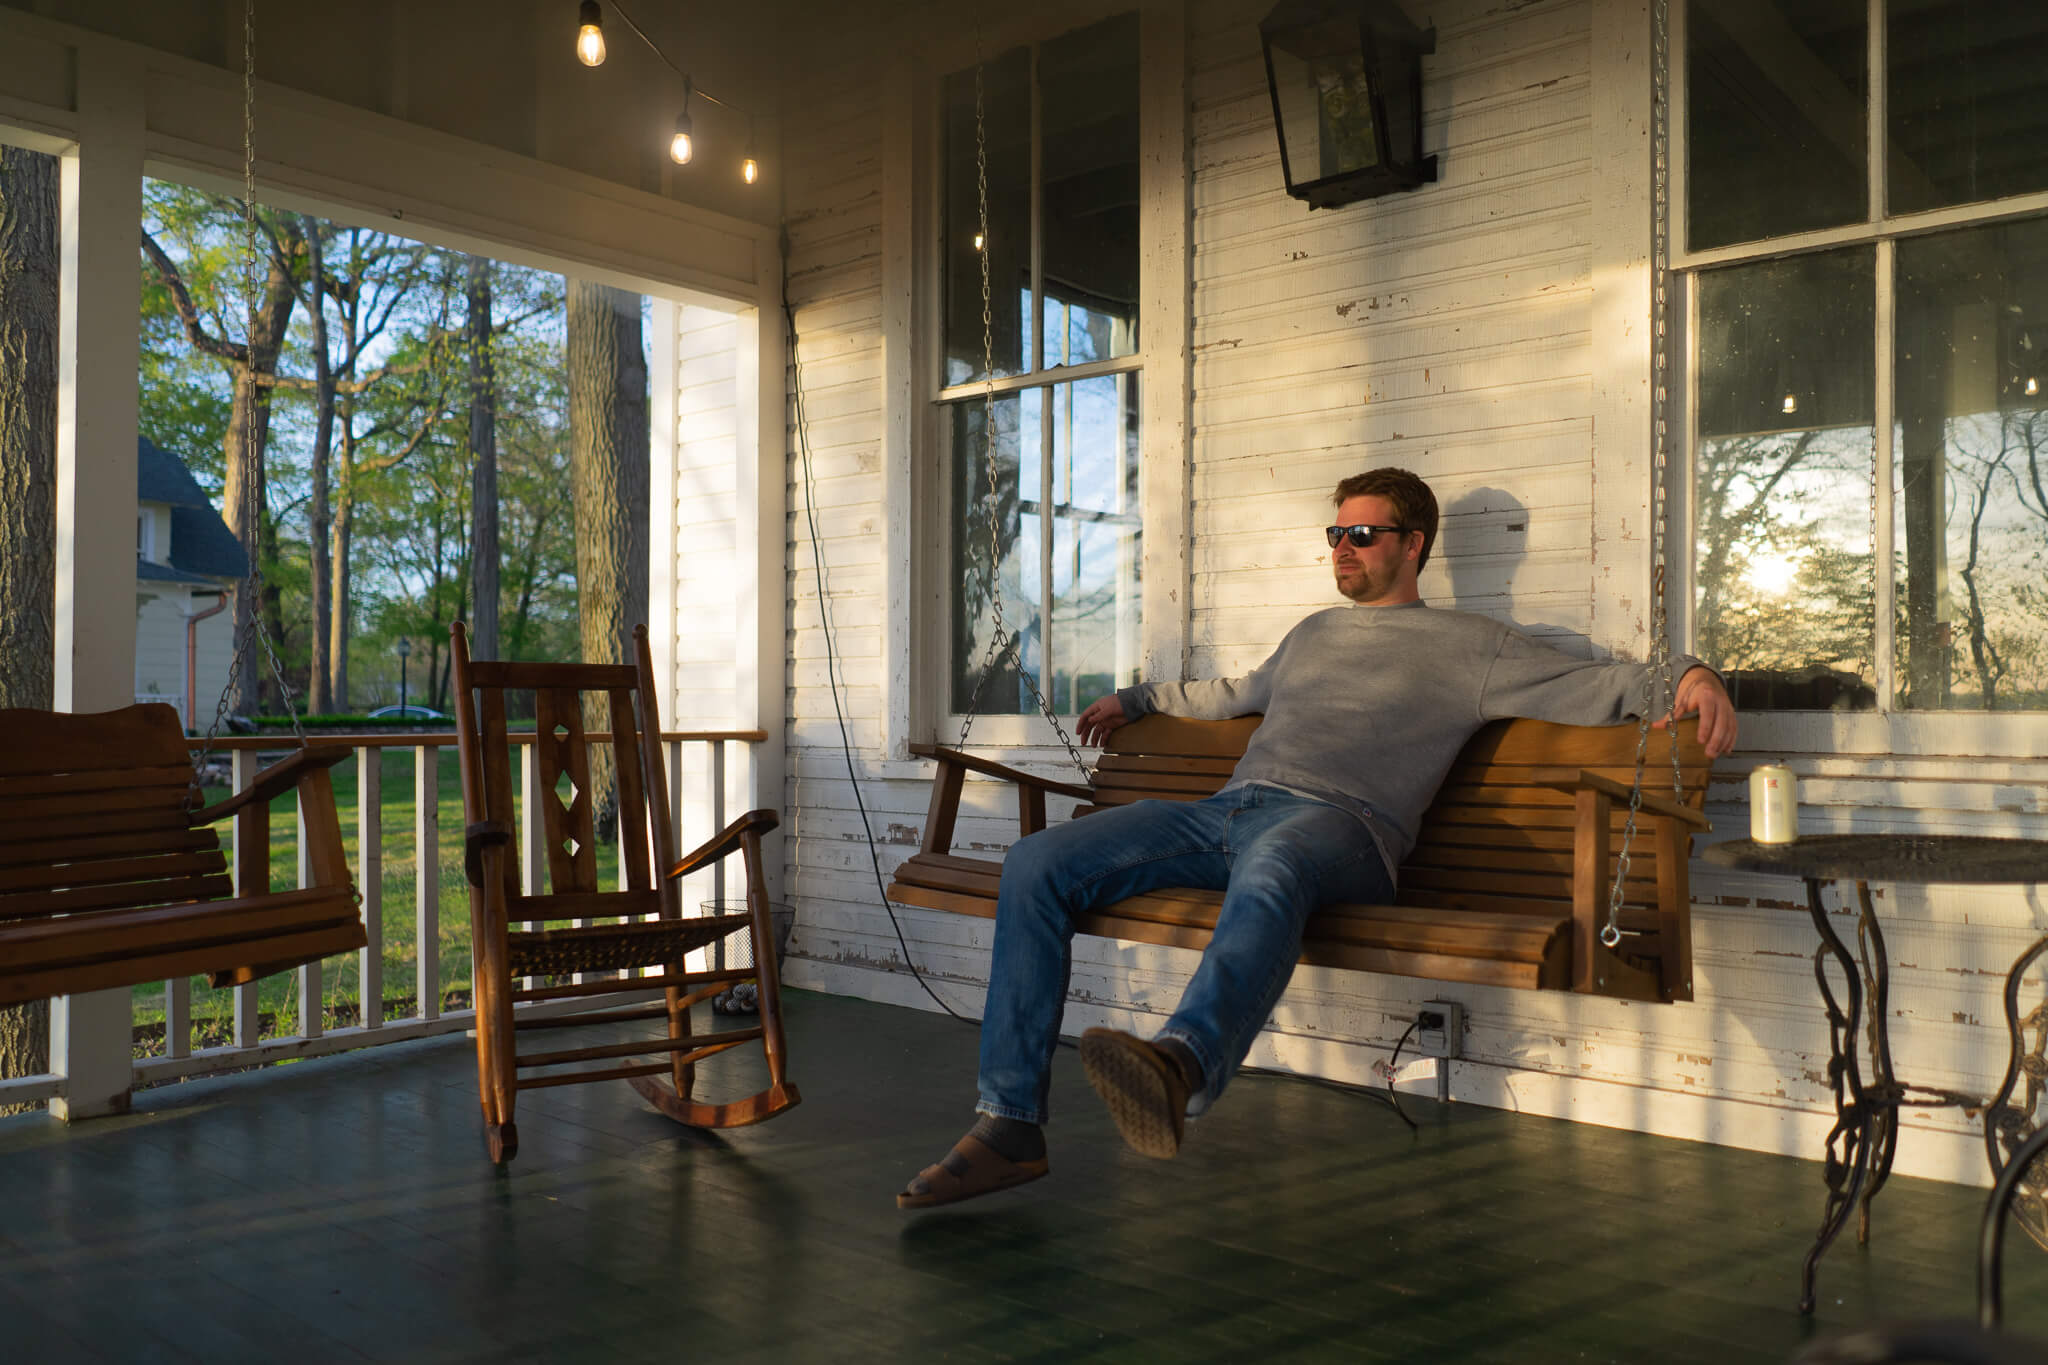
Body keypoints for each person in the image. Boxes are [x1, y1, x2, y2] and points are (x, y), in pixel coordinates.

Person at [897, 468, 1737, 1209]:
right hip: (1227, 811)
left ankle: (1180, 1066)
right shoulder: (1314, 632)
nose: (1342, 547)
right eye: (1335, 533)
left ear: (1413, 545)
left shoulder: (1470, 646)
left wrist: (1692, 675)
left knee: (1278, 864)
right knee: (1038, 860)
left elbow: (1605, 684)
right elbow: (1233, 692)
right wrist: (1140, 698)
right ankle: (1009, 1126)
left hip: (1345, 830)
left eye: (1361, 534)